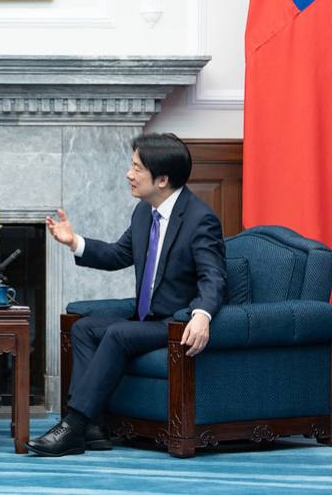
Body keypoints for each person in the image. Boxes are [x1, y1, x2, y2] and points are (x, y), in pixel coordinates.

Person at [27, 133, 226, 457]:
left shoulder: (199, 219)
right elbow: (118, 255)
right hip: (147, 319)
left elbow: (213, 276)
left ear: (161, 179)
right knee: (84, 327)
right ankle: (93, 428)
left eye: (136, 168)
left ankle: (73, 425)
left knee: (118, 333)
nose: (128, 174)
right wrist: (74, 241)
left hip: (173, 323)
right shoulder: (144, 213)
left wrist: (202, 315)